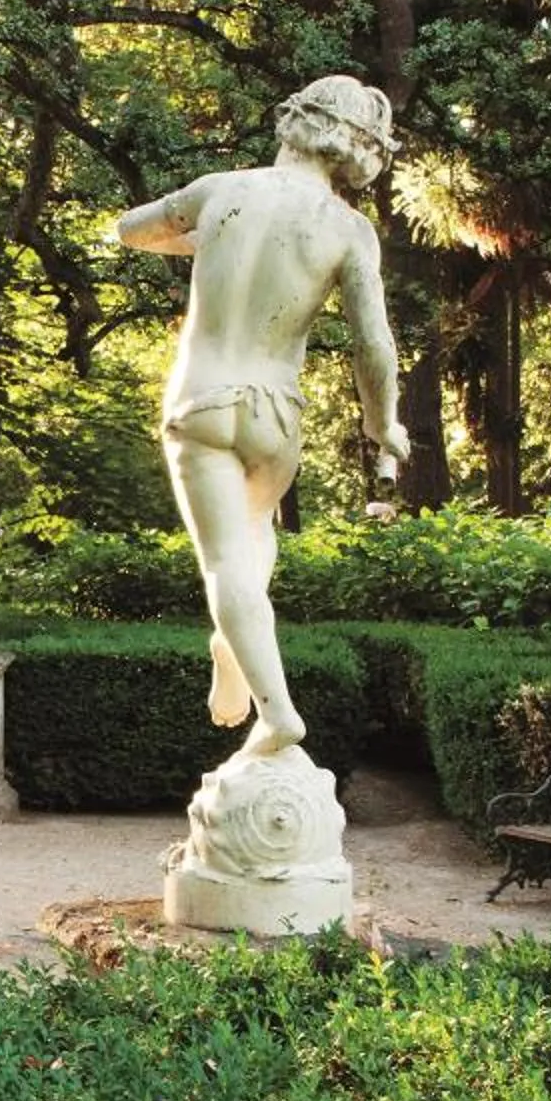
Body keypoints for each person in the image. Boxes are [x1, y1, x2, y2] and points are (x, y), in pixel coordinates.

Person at [116, 74, 411, 757]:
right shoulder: (347, 229)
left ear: (293, 122)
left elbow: (131, 230)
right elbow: (375, 343)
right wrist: (382, 424)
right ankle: (234, 639)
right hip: (276, 413)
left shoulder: (220, 190)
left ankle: (276, 713)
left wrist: (200, 244)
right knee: (255, 533)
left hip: (202, 400)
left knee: (225, 565)